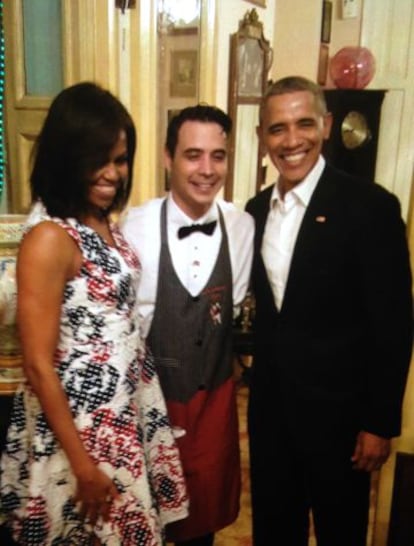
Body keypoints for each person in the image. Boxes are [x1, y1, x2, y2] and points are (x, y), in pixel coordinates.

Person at [0, 82, 188, 546]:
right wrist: (83, 466)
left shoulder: (101, 221)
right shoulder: (49, 237)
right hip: (81, 430)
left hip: (122, 411)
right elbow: (39, 366)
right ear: (67, 157)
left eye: (121, 160)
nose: (112, 174)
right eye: (98, 159)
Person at [245, 76, 413, 546]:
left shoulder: (371, 207)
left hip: (341, 424)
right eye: (278, 129)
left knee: (341, 534)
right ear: (263, 137)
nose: (292, 140)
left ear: (327, 124)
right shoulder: (254, 212)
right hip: (272, 418)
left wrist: (380, 422)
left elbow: (393, 324)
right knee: (276, 533)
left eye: (304, 124)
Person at [122, 104, 254, 546]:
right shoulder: (132, 226)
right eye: (193, 155)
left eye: (218, 156)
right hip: (152, 404)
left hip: (215, 405)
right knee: (148, 524)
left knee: (202, 529)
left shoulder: (243, 227)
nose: (206, 169)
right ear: (167, 158)